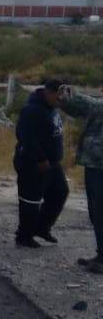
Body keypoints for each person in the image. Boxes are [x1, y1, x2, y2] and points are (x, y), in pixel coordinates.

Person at [14, 79, 68, 249]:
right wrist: (40, 158)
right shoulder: (32, 110)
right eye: (59, 96)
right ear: (49, 92)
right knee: (31, 200)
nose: (61, 100)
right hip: (33, 162)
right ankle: (24, 236)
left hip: (52, 163)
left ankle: (42, 228)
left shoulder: (51, 108)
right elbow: (26, 137)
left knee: (59, 193)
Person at [58, 84, 103, 271]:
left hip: (98, 165)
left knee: (99, 210)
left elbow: (87, 105)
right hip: (96, 164)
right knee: (97, 211)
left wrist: (68, 96)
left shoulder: (99, 107)